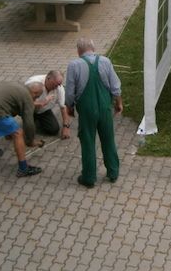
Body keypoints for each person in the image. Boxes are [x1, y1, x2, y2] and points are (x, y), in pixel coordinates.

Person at [65, 37, 123, 188]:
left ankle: (89, 178)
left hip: (86, 110)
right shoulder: (105, 61)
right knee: (108, 139)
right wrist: (118, 103)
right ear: (94, 48)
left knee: (88, 142)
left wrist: (69, 107)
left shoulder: (73, 65)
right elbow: (115, 86)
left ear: (79, 51)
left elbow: (70, 91)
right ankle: (113, 173)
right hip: (105, 108)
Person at [0, 81, 44, 177]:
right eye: (37, 97)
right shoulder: (27, 97)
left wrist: (7, 132)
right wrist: (30, 141)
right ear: (35, 93)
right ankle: (23, 169)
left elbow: (8, 107)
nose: (35, 99)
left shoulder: (17, 87)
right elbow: (29, 123)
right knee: (18, 133)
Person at [24, 70, 71, 144]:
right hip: (29, 109)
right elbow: (23, 102)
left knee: (54, 130)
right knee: (29, 131)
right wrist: (41, 103)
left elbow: (63, 107)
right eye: (54, 84)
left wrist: (66, 126)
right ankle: (30, 119)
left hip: (43, 110)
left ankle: (37, 120)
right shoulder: (33, 83)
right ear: (48, 78)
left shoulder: (59, 88)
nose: (56, 87)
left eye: (59, 84)